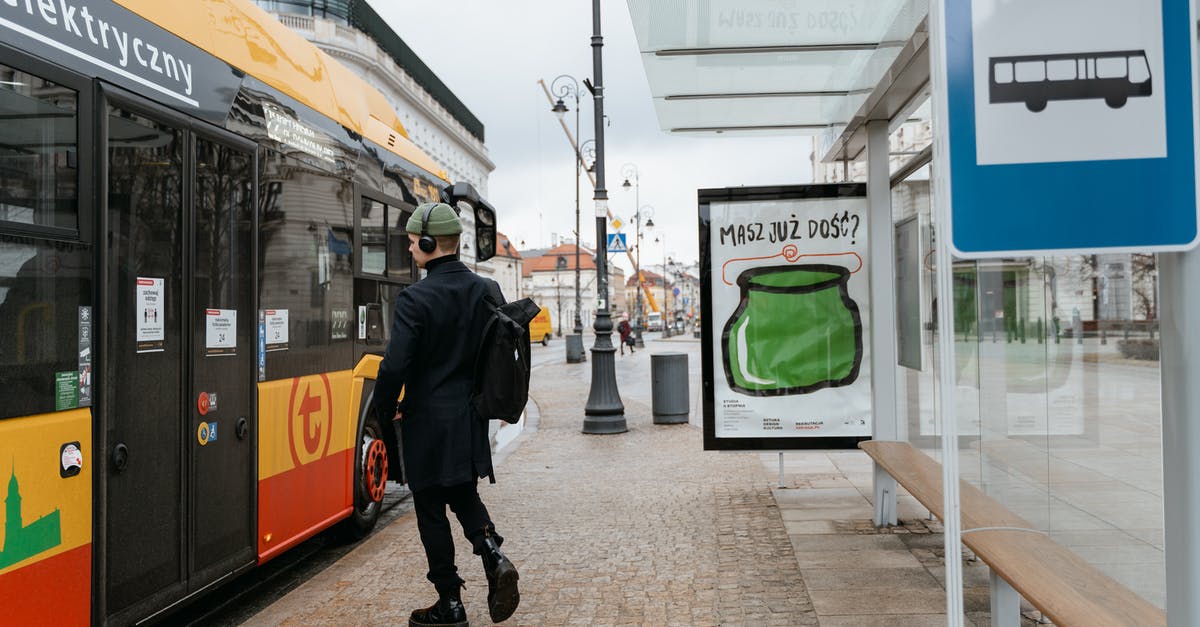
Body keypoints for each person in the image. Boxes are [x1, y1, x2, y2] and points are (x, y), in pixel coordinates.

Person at [372, 202, 520, 627]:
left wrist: (383, 411)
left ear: (428, 242)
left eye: (412, 242)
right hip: (470, 417)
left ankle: (450, 602)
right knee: (463, 492)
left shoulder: (414, 298)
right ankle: (492, 554)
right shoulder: (487, 290)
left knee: (430, 507)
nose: (410, 248)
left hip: (426, 421)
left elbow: (395, 365)